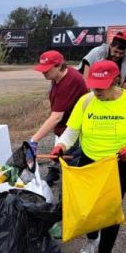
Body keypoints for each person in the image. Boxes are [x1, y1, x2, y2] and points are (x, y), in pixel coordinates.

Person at [52, 60, 126, 253]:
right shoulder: (86, 101)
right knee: (89, 204)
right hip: (90, 158)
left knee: (109, 206)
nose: (96, 90)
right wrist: (61, 144)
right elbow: (72, 130)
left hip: (119, 162)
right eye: (94, 85)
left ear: (115, 81)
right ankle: (91, 239)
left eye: (102, 86)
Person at [27, 50, 88, 183]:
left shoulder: (69, 82)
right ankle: (58, 176)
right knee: (60, 158)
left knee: (72, 168)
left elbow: (56, 117)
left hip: (74, 130)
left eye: (47, 69)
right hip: (65, 128)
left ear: (59, 66)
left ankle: (68, 199)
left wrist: (34, 139)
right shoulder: (58, 77)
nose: (43, 72)